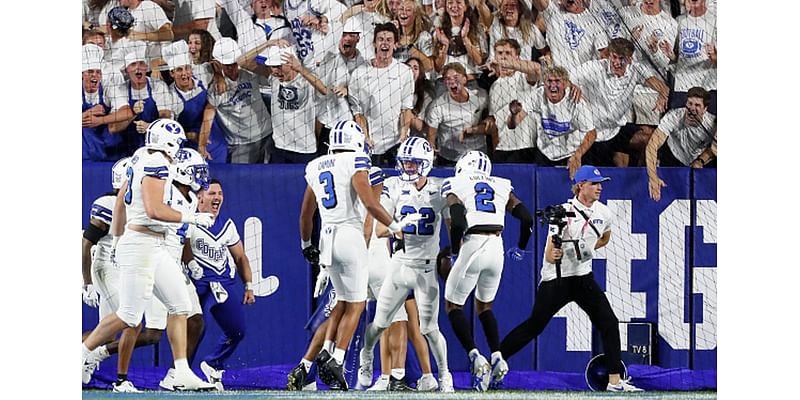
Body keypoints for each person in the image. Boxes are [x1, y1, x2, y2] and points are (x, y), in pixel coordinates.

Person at [81, 119, 215, 391]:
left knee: (180, 305)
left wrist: (117, 237)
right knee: (129, 316)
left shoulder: (138, 157)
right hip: (142, 243)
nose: (178, 147)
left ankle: (181, 371)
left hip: (152, 244)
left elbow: (121, 200)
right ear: (169, 142)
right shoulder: (156, 162)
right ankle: (82, 352)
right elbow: (154, 210)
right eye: (176, 142)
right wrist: (192, 217)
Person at [497, 165, 645, 392]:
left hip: (582, 277)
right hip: (557, 279)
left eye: (601, 183)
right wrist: (557, 254)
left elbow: (605, 237)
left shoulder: (604, 212)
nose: (599, 188)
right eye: (594, 183)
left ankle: (615, 381)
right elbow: (548, 253)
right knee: (534, 327)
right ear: (580, 186)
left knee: (609, 322)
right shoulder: (562, 212)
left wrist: (587, 249)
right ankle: (492, 362)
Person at [298, 120, 404, 390]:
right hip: (350, 235)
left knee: (342, 301)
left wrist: (306, 244)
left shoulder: (316, 166)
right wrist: (393, 226)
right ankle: (337, 357)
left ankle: (325, 351)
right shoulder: (356, 161)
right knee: (356, 304)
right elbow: (370, 203)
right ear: (356, 141)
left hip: (326, 237)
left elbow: (306, 213)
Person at [358, 137, 455, 392]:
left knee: (430, 328)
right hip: (399, 265)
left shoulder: (440, 188)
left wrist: (455, 252)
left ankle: (444, 375)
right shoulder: (393, 186)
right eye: (405, 162)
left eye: (413, 163)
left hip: (425, 268)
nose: (408, 168)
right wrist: (399, 227)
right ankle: (366, 358)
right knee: (379, 323)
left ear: (426, 163)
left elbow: (451, 225)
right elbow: (380, 229)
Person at [441, 150, 534, 391]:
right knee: (485, 306)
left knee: (453, 305)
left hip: (473, 243)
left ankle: (475, 357)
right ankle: (497, 356)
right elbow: (526, 218)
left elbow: (459, 220)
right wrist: (521, 248)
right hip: (497, 246)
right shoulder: (502, 184)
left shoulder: (455, 183)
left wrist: (454, 251)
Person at [182, 177, 257, 391]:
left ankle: (213, 365)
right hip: (195, 283)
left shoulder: (227, 225)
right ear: (199, 197)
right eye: (212, 193)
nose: (217, 197)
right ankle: (181, 372)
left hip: (221, 283)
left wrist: (249, 285)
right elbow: (183, 243)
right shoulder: (188, 218)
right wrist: (190, 262)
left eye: (220, 194)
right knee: (196, 327)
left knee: (237, 330)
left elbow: (240, 257)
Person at [569, 37, 669, 168]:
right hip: (592, 134)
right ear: (610, 55)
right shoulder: (594, 68)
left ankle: (643, 177)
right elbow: (566, 77)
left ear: (630, 59)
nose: (617, 62)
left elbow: (661, 86)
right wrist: (572, 86)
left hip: (616, 130)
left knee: (650, 137)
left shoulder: (636, 70)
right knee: (589, 176)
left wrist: (662, 93)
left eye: (622, 59)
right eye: (614, 57)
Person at [347, 22, 414, 166]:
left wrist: (403, 134)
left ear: (395, 44)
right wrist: (365, 137)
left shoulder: (404, 72)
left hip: (396, 143)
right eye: (381, 39)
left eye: (389, 40)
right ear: (374, 44)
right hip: (369, 144)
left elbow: (406, 107)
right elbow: (358, 112)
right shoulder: (359, 73)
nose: (385, 43)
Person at [202, 37, 275, 163]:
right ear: (218, 64)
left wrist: (267, 44)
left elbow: (269, 73)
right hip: (240, 144)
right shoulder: (215, 86)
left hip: (266, 135)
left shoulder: (250, 73)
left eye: (234, 64)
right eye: (228, 66)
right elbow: (208, 114)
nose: (233, 69)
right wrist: (201, 144)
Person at [108, 42, 180, 158]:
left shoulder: (158, 86)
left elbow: (166, 117)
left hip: (155, 149)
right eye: (133, 64)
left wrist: (150, 127)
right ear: (127, 71)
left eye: (141, 64)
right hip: (126, 149)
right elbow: (113, 128)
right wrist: (132, 113)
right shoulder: (120, 90)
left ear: (146, 68)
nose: (138, 68)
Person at [523, 65, 596, 178]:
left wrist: (578, 155)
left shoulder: (576, 101)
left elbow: (592, 133)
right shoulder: (538, 95)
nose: (553, 85)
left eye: (557, 81)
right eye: (549, 81)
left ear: (566, 84)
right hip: (546, 152)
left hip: (573, 152)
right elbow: (517, 116)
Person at [258, 45, 328, 164]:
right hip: (279, 147)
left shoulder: (306, 81)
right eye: (272, 67)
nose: (275, 71)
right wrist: (269, 43)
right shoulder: (274, 79)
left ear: (291, 64)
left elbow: (324, 90)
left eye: (278, 66)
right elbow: (242, 63)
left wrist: (300, 68)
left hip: (304, 149)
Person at [645, 86, 716, 201]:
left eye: (697, 105)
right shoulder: (673, 117)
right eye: (690, 103)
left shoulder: (712, 124)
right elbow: (652, 146)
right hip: (672, 157)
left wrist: (701, 160)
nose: (692, 108)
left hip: (696, 161)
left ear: (705, 109)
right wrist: (653, 177)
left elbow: (715, 149)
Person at [163, 40, 228, 163]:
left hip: (213, 135)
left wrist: (219, 76)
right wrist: (191, 136)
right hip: (190, 143)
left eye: (187, 68)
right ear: (172, 73)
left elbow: (214, 64)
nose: (184, 74)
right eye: (179, 70)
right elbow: (171, 132)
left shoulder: (201, 73)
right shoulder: (171, 98)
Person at [482, 38, 541, 163]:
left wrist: (511, 64)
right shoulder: (494, 86)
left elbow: (536, 70)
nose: (503, 57)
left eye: (508, 53)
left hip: (525, 146)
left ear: (517, 57)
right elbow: (495, 123)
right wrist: (495, 149)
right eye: (500, 53)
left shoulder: (523, 77)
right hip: (502, 149)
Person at [314, 19, 368, 155]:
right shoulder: (329, 56)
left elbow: (364, 93)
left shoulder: (363, 64)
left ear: (358, 39)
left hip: (347, 124)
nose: (347, 39)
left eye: (351, 35)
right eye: (344, 35)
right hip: (325, 121)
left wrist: (349, 89)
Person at [425, 62, 491, 166]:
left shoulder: (481, 96)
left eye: (455, 77)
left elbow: (489, 120)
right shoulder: (437, 106)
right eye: (447, 78)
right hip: (449, 159)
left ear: (465, 79)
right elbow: (431, 138)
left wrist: (474, 130)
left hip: (477, 155)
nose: (451, 81)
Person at [663, 0, 717, 114]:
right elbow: (677, 57)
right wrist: (671, 55)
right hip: (683, 87)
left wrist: (714, 55)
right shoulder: (679, 21)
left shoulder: (715, 20)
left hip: (707, 88)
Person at [530, 0, 607, 70]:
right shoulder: (553, 11)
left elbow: (604, 55)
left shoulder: (593, 21)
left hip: (586, 78)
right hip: (561, 78)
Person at [431, 0, 487, 89]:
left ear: (465, 6)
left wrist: (465, 38)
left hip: (469, 81)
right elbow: (437, 67)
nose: (454, 5)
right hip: (445, 83)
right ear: (446, 7)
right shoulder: (438, 31)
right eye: (450, 3)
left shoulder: (476, 29)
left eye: (458, 2)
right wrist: (445, 45)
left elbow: (479, 61)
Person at [82, 43, 118, 161]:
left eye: (98, 72)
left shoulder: (108, 88)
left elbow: (126, 111)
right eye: (90, 71)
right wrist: (87, 113)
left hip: (105, 151)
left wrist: (101, 120)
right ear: (82, 75)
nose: (95, 75)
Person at [393, 0, 434, 72]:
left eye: (408, 10)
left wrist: (408, 46)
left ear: (415, 14)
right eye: (401, 9)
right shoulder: (392, 36)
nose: (403, 13)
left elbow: (429, 66)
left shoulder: (423, 37)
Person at [405, 57, 436, 139]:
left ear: (420, 74)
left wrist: (407, 114)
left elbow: (424, 127)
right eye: (408, 67)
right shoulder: (395, 91)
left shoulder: (426, 96)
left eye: (415, 68)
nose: (411, 70)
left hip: (416, 138)